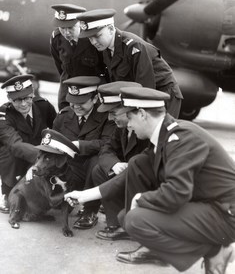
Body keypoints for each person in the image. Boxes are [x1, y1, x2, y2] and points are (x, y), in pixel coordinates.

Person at [65, 86, 235, 274]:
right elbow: (127, 175)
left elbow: (176, 193)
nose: (127, 125)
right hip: (210, 205)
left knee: (137, 220)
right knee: (128, 211)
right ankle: (202, 248)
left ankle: (215, 250)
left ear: (143, 114)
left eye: (129, 118)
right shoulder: (166, 136)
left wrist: (140, 199)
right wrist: (84, 195)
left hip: (226, 213)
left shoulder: (181, 139)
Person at [76, 8, 183, 118]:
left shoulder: (134, 47)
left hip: (162, 95)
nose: (94, 42)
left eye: (97, 36)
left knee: (158, 132)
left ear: (111, 29)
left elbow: (145, 88)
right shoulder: (106, 48)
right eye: (90, 38)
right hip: (139, 94)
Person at [53, 76, 115, 229]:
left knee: (97, 163)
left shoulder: (107, 116)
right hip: (69, 168)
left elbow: (108, 143)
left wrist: (80, 145)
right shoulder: (64, 115)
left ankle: (90, 210)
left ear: (95, 99)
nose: (76, 107)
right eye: (72, 102)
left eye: (81, 103)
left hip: (91, 170)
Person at [90, 81, 149, 240]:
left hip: (147, 182)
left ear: (129, 108)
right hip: (131, 176)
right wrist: (114, 164)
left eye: (114, 112)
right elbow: (106, 149)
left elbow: (145, 164)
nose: (109, 118)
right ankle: (117, 224)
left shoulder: (147, 129)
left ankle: (136, 225)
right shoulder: (121, 128)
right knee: (100, 170)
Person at [0, 74, 56, 213]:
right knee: (9, 153)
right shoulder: (3, 115)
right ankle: (7, 192)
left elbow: (57, 129)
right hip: (15, 157)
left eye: (27, 98)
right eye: (17, 100)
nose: (23, 103)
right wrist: (44, 157)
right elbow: (15, 145)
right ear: (9, 99)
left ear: (32, 94)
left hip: (36, 154)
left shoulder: (43, 106)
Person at [50, 4, 107, 110]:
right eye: (62, 28)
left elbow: (105, 67)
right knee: (66, 118)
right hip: (68, 90)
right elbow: (60, 66)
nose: (66, 33)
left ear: (80, 24)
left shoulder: (93, 38)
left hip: (92, 91)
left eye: (71, 28)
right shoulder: (56, 38)